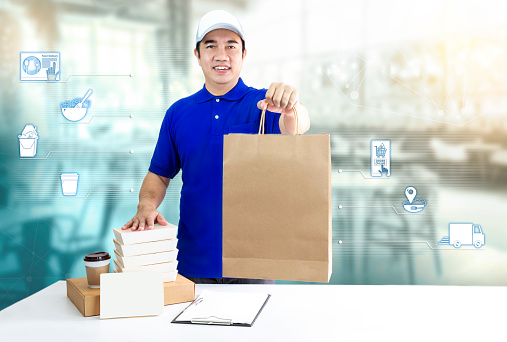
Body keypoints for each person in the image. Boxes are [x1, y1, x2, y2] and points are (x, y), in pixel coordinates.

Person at [122, 10, 310, 284]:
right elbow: (160, 174)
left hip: (254, 262)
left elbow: (298, 126)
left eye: (231, 46)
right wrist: (146, 205)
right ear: (197, 55)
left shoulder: (264, 103)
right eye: (211, 45)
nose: (221, 55)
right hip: (192, 262)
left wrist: (291, 108)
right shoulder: (178, 112)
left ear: (244, 55)